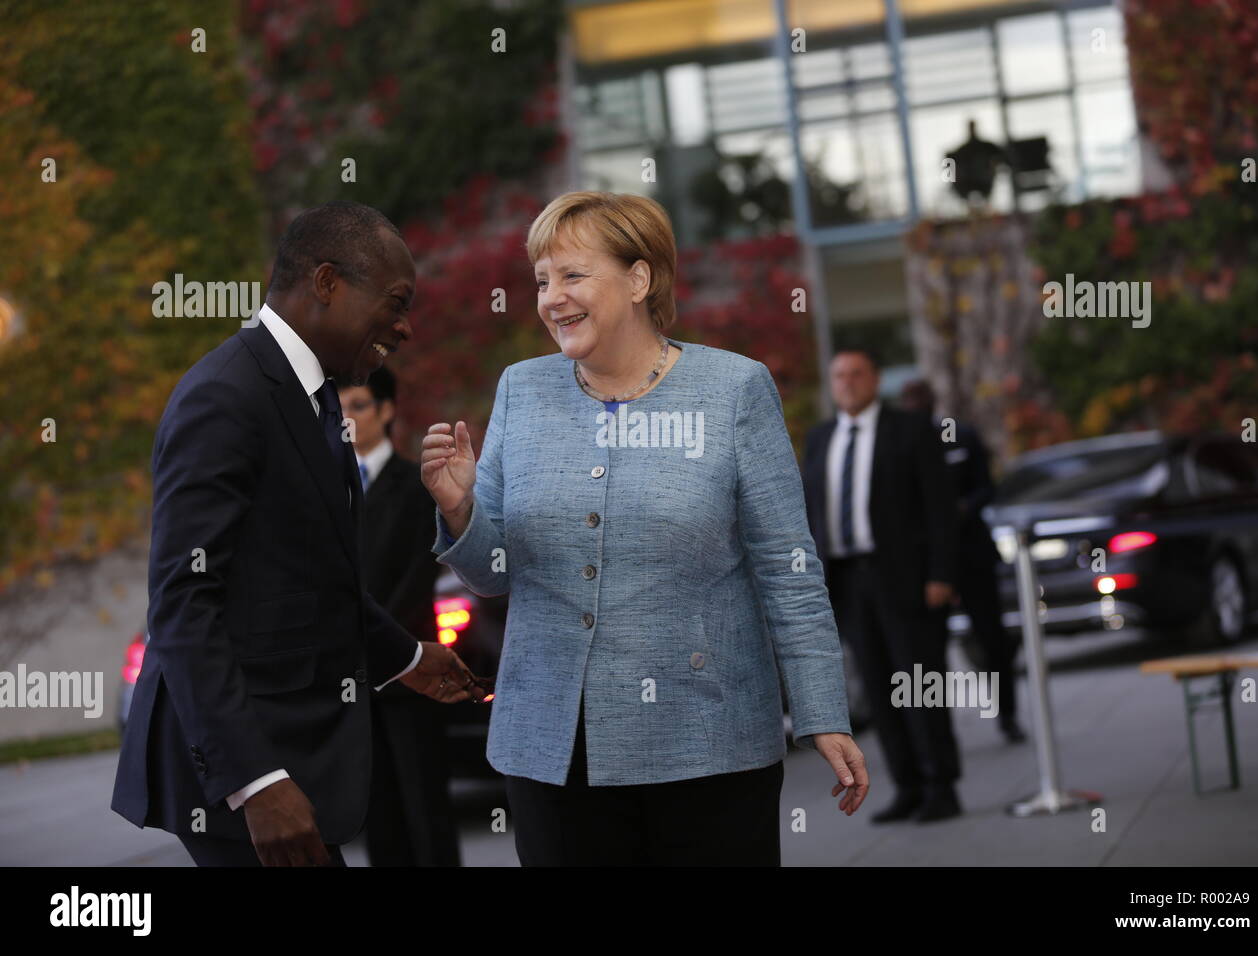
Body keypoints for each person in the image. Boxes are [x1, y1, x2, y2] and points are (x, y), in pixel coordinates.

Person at [422, 191, 868, 866]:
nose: (551, 298)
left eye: (573, 275)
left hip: (708, 745)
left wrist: (822, 712)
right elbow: (492, 574)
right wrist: (460, 510)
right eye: (542, 280)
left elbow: (788, 567)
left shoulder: (734, 390)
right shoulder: (522, 389)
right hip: (553, 751)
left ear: (639, 278)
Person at [112, 201, 483, 867]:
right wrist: (254, 782)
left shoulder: (309, 396)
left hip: (294, 759)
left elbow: (316, 577)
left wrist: (404, 657)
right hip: (244, 778)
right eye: (396, 303)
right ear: (326, 283)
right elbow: (183, 603)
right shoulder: (226, 396)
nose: (403, 327)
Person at [802, 349, 963, 823]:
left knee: (916, 686)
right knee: (876, 688)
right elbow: (812, 514)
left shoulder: (912, 430)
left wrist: (941, 574)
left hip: (906, 580)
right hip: (847, 582)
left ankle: (942, 786)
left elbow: (940, 509)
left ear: (875, 379)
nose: (847, 383)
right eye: (838, 376)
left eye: (856, 374)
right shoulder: (820, 438)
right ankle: (907, 786)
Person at [341, 366, 462, 866]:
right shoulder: (328, 488)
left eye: (359, 406)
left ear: (387, 411)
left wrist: (380, 644)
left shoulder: (417, 486)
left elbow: (417, 579)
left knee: (424, 807)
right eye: (339, 408)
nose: (346, 419)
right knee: (378, 813)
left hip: (409, 673)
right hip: (352, 681)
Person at [899, 378, 1024, 744]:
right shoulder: (897, 446)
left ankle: (1008, 715)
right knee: (925, 651)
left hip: (970, 555)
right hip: (924, 563)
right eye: (910, 401)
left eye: (921, 400)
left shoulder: (960, 437)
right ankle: (937, 731)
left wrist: (962, 508)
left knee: (992, 639)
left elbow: (987, 487)